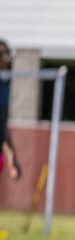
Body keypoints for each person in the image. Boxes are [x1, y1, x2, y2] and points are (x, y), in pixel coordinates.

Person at [0, 39, 22, 182]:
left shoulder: (4, 85)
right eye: (1, 53)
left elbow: (2, 126)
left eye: (6, 53)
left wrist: (11, 158)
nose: (5, 58)